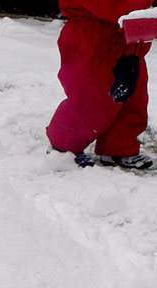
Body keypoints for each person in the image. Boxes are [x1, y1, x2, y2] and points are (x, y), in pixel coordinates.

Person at [47, 0, 155, 169]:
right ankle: (63, 147)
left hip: (129, 40)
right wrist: (145, 5)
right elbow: (112, 6)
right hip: (93, 40)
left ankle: (119, 148)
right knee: (92, 98)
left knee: (133, 99)